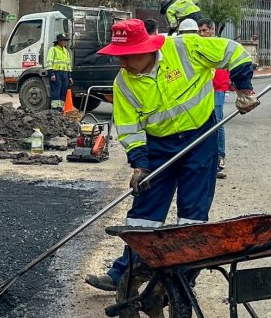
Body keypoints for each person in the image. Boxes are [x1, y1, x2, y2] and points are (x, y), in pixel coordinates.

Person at [84, 19, 257, 291]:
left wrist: (244, 88)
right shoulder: (124, 83)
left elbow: (233, 51)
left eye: (127, 56)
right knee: (144, 214)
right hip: (158, 148)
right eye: (119, 57)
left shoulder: (185, 48)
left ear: (147, 48)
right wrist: (140, 165)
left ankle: (181, 280)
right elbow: (129, 130)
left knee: (192, 215)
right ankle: (125, 273)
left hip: (200, 139)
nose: (123, 64)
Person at [197, 18, 232, 179]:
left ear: (212, 30)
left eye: (204, 30)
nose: (202, 33)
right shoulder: (197, 45)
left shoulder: (220, 44)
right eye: (200, 31)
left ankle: (219, 158)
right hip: (202, 88)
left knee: (217, 121)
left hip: (218, 87)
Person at [46, 33, 73, 111]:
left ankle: (60, 109)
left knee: (63, 92)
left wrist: (70, 76)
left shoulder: (66, 51)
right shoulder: (53, 49)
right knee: (56, 91)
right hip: (56, 73)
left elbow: (68, 64)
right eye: (63, 40)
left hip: (64, 74)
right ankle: (54, 110)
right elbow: (49, 62)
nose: (65, 42)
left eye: (66, 40)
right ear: (59, 41)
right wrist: (51, 74)